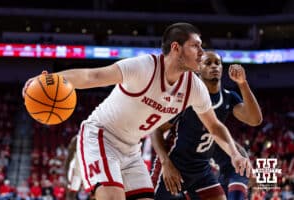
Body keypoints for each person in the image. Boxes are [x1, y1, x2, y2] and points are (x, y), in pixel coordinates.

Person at [23, 23, 251, 200]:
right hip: (101, 136)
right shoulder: (144, 67)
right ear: (176, 47)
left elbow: (214, 125)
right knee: (112, 196)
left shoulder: (194, 87)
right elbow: (92, 76)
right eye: (195, 45)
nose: (202, 52)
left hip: (131, 148)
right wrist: (50, 79)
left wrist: (234, 153)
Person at [151, 51, 262, 200]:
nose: (214, 66)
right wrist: (166, 163)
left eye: (217, 63)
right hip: (175, 166)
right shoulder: (185, 97)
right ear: (198, 69)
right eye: (208, 63)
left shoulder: (228, 97)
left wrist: (242, 84)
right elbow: (156, 130)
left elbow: (255, 119)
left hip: (201, 169)